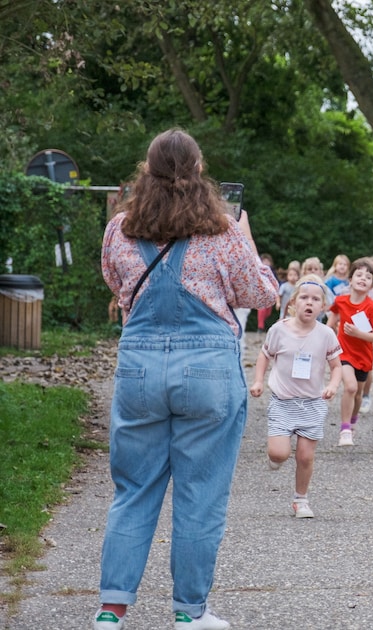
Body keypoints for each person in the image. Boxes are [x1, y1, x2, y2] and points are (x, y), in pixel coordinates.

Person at [95, 128, 278, 630]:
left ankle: (111, 611)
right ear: (199, 171)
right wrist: (248, 238)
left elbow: (115, 283)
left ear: (146, 173)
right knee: (201, 494)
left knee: (132, 489)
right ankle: (189, 613)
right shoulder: (223, 231)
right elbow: (261, 295)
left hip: (139, 367)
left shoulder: (120, 228)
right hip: (208, 371)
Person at [248, 275, 342, 518]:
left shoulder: (326, 334)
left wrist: (332, 385)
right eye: (304, 298)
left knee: (305, 455)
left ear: (323, 306)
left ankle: (301, 500)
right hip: (282, 401)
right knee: (279, 453)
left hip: (312, 402)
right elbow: (264, 356)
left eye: (315, 299)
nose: (309, 303)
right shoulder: (278, 330)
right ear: (293, 303)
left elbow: (337, 366)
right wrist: (258, 380)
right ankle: (276, 458)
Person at [326, 258, 373, 447]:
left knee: (358, 393)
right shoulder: (340, 301)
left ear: (372, 284)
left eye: (368, 277)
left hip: (363, 356)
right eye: (359, 275)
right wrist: (323, 341)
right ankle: (344, 430)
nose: (363, 279)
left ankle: (352, 420)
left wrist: (359, 333)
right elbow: (331, 322)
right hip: (343, 353)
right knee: (350, 387)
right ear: (350, 280)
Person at [255, 253, 275, 330]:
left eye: (267, 261)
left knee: (268, 313)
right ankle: (260, 326)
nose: (266, 263)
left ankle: (261, 324)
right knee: (261, 310)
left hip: (270, 295)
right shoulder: (258, 272)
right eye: (264, 261)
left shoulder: (273, 273)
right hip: (261, 295)